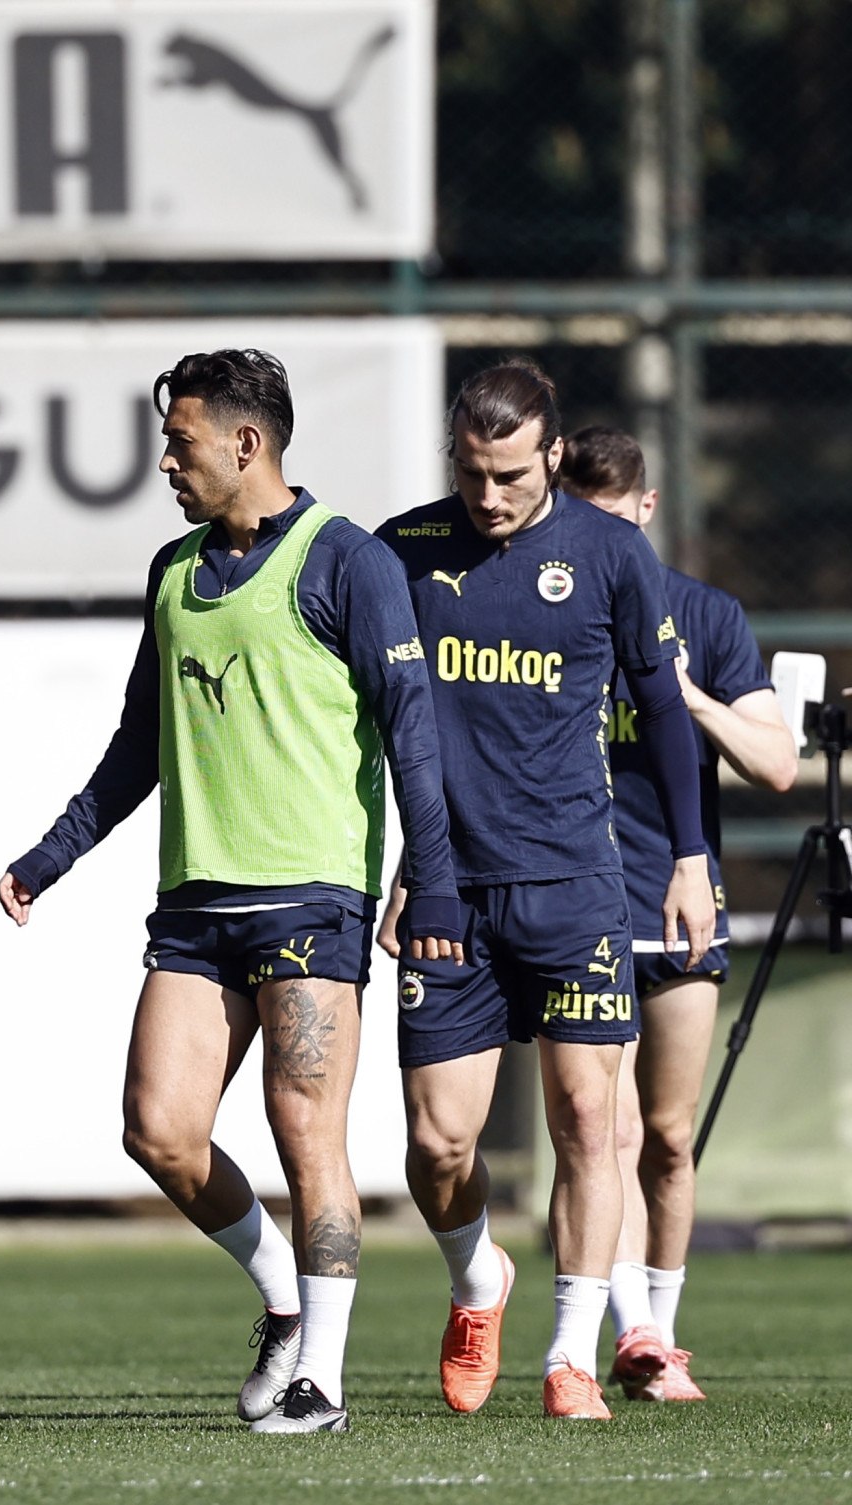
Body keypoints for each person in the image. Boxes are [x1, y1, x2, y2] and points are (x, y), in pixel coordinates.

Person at [0, 348, 463, 1434]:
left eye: (181, 442)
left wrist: (433, 884)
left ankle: (322, 1382)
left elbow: (415, 734)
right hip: (196, 908)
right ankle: (285, 1298)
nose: (166, 461)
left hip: (312, 899)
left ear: (246, 443)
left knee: (307, 1131)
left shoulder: (348, 560)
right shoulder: (172, 571)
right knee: (158, 1130)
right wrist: (53, 854)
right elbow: (138, 744)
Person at [375, 359, 715, 1421]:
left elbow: (664, 708)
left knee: (587, 1118)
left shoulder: (611, 553)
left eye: (512, 474)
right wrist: (400, 868)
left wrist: (691, 858)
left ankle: (571, 1354)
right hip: (449, 891)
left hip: (575, 883)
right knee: (439, 1144)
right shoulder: (403, 550)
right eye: (471, 472)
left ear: (554, 455)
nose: (488, 496)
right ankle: (479, 1277)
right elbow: (362, 722)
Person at [559, 426, 797, 1402]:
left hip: (682, 900)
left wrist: (682, 692)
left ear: (647, 511)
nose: (601, 545)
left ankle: (662, 1320)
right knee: (603, 1128)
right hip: (582, 904)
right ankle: (637, 1335)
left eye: (617, 524)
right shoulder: (547, 612)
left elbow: (776, 763)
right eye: (583, 523)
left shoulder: (705, 614)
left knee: (666, 1134)